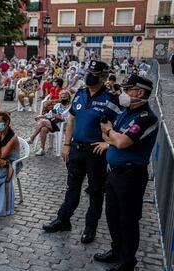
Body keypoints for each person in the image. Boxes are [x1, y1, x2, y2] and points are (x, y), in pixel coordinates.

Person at [42, 61, 121, 244]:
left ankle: (90, 227)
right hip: (76, 149)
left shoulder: (111, 99)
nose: (88, 75)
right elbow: (71, 120)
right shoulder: (80, 94)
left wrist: (108, 144)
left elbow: (120, 125)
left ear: (102, 77)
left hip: (96, 152)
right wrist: (66, 144)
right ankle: (63, 219)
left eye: (93, 73)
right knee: (72, 187)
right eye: (88, 72)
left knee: (95, 191)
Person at [94, 75, 158, 271]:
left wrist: (111, 133)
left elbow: (122, 142)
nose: (123, 93)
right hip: (114, 173)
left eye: (127, 89)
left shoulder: (146, 118)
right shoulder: (125, 112)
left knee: (127, 220)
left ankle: (127, 261)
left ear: (139, 92)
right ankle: (116, 251)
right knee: (112, 216)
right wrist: (112, 135)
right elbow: (108, 136)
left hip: (131, 175)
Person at [26, 91, 71, 156]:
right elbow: (50, 114)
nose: (62, 99)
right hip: (52, 123)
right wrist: (41, 116)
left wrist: (60, 117)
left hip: (61, 125)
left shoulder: (70, 107)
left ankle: (31, 138)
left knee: (43, 122)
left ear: (68, 98)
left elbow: (69, 119)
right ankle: (42, 149)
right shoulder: (57, 105)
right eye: (61, 97)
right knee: (43, 129)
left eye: (64, 97)